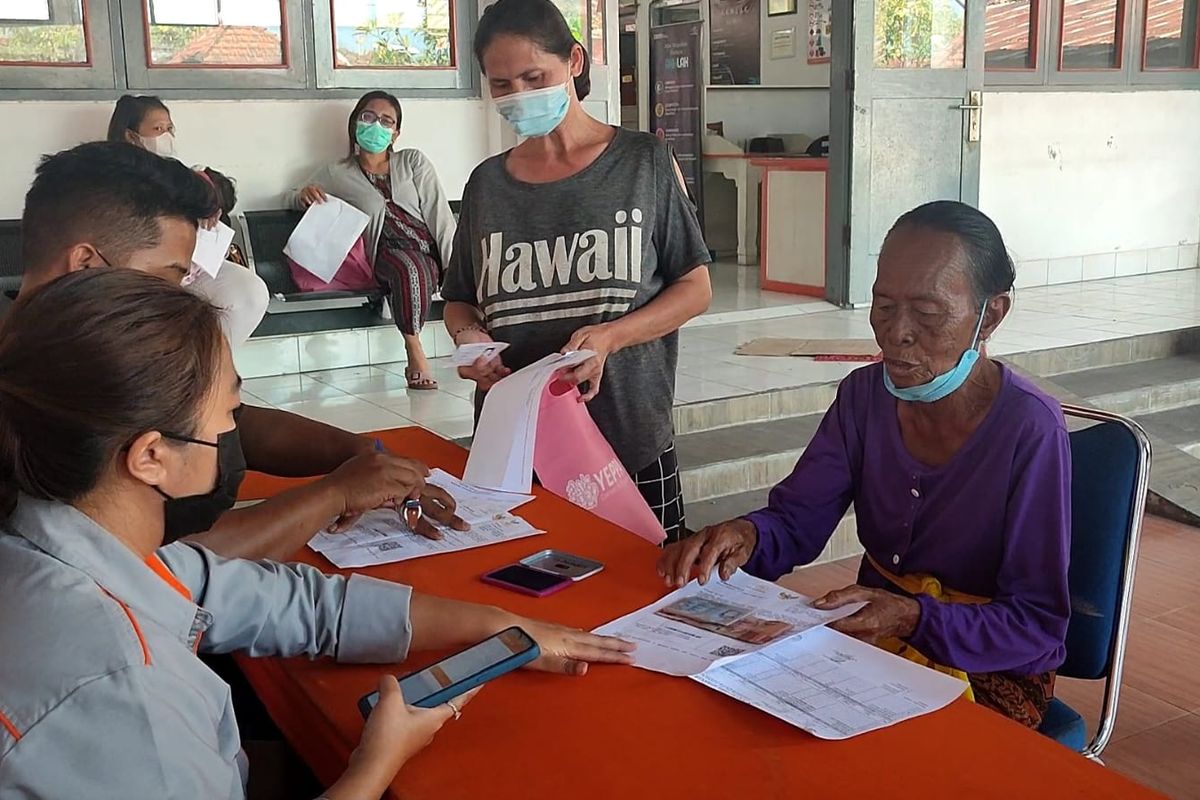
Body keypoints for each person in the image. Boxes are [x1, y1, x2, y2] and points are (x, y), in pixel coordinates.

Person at [0, 268, 635, 799]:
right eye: (228, 412)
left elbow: (298, 603)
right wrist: (373, 768)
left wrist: (497, 626)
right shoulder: (122, 690)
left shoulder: (82, 551)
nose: (235, 432)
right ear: (150, 457)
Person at [657, 201, 1071, 729]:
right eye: (883, 305)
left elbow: (1036, 625)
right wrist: (747, 535)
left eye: (927, 313)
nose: (896, 333)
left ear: (990, 315)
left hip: (988, 666)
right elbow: (796, 521)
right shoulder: (863, 398)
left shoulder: (1029, 429)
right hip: (871, 641)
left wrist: (913, 616)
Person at [14, 141, 465, 560]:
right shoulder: (25, 396)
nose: (182, 298)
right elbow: (144, 564)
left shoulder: (97, 348)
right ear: (86, 265)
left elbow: (227, 424)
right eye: (169, 277)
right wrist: (333, 495)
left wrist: (361, 454)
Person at [441, 0, 712, 543]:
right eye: (501, 85)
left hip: (628, 435)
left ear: (574, 61)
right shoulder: (487, 186)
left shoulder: (643, 162)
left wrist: (610, 338)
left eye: (533, 77)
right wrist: (468, 337)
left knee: (645, 580)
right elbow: (460, 299)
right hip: (519, 447)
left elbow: (695, 287)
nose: (518, 95)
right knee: (529, 582)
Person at [290, 91, 457, 390]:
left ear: (396, 133)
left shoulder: (412, 161)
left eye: (386, 121)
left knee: (414, 266)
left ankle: (417, 344)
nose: (376, 125)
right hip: (380, 256)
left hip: (424, 250)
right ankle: (414, 349)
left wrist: (455, 271)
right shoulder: (336, 172)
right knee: (406, 268)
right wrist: (302, 196)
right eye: (368, 117)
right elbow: (292, 196)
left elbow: (439, 214)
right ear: (355, 123)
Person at [106, 95, 270, 349]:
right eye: (157, 129)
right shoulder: (111, 177)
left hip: (191, 267)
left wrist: (209, 209)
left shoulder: (176, 172)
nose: (166, 135)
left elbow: (206, 201)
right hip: (140, 275)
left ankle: (212, 363)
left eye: (169, 128)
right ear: (131, 136)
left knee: (249, 291)